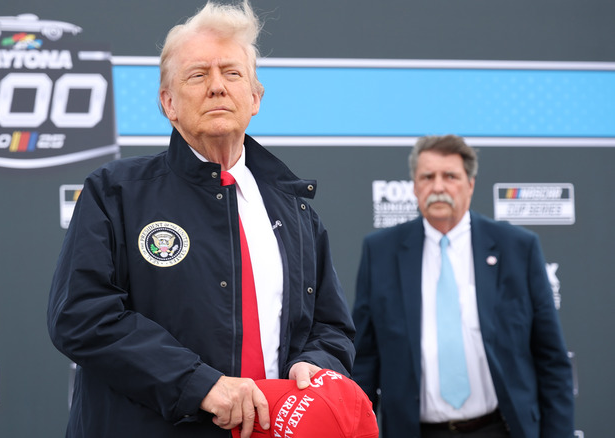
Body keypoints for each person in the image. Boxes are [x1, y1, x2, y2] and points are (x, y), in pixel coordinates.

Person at [47, 1, 356, 437]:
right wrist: (200, 384)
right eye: (197, 74)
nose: (217, 87)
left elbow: (331, 326)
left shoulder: (293, 207)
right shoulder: (116, 191)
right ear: (168, 102)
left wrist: (315, 363)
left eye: (232, 73)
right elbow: (81, 316)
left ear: (255, 98)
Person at [350, 135, 574, 438]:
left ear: (470, 184)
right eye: (427, 177)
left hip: (499, 429)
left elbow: (552, 360)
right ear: (414, 186)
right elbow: (365, 360)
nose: (438, 187)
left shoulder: (518, 249)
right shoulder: (381, 252)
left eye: (450, 176)